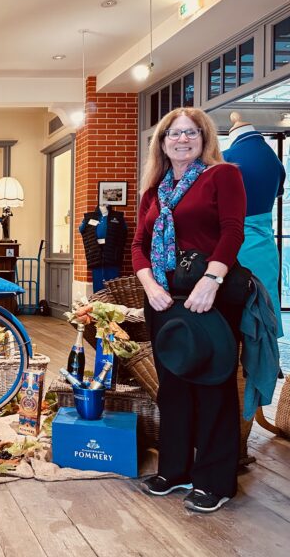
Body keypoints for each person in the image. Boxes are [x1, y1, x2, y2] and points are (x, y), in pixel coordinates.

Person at [132, 107, 246, 514]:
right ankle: (175, 469)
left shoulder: (222, 175)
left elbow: (233, 231)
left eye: (191, 132)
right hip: (164, 299)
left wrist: (211, 280)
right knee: (173, 386)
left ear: (204, 137)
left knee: (213, 385)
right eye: (173, 134)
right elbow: (138, 246)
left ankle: (216, 480)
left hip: (208, 295)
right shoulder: (153, 191)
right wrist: (149, 285)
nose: (182, 139)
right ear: (161, 143)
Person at [223, 112, 285, 337]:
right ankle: (268, 359)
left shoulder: (227, 158)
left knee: (240, 300)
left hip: (239, 243)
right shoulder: (274, 159)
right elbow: (277, 193)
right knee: (267, 295)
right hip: (267, 244)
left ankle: (245, 361)